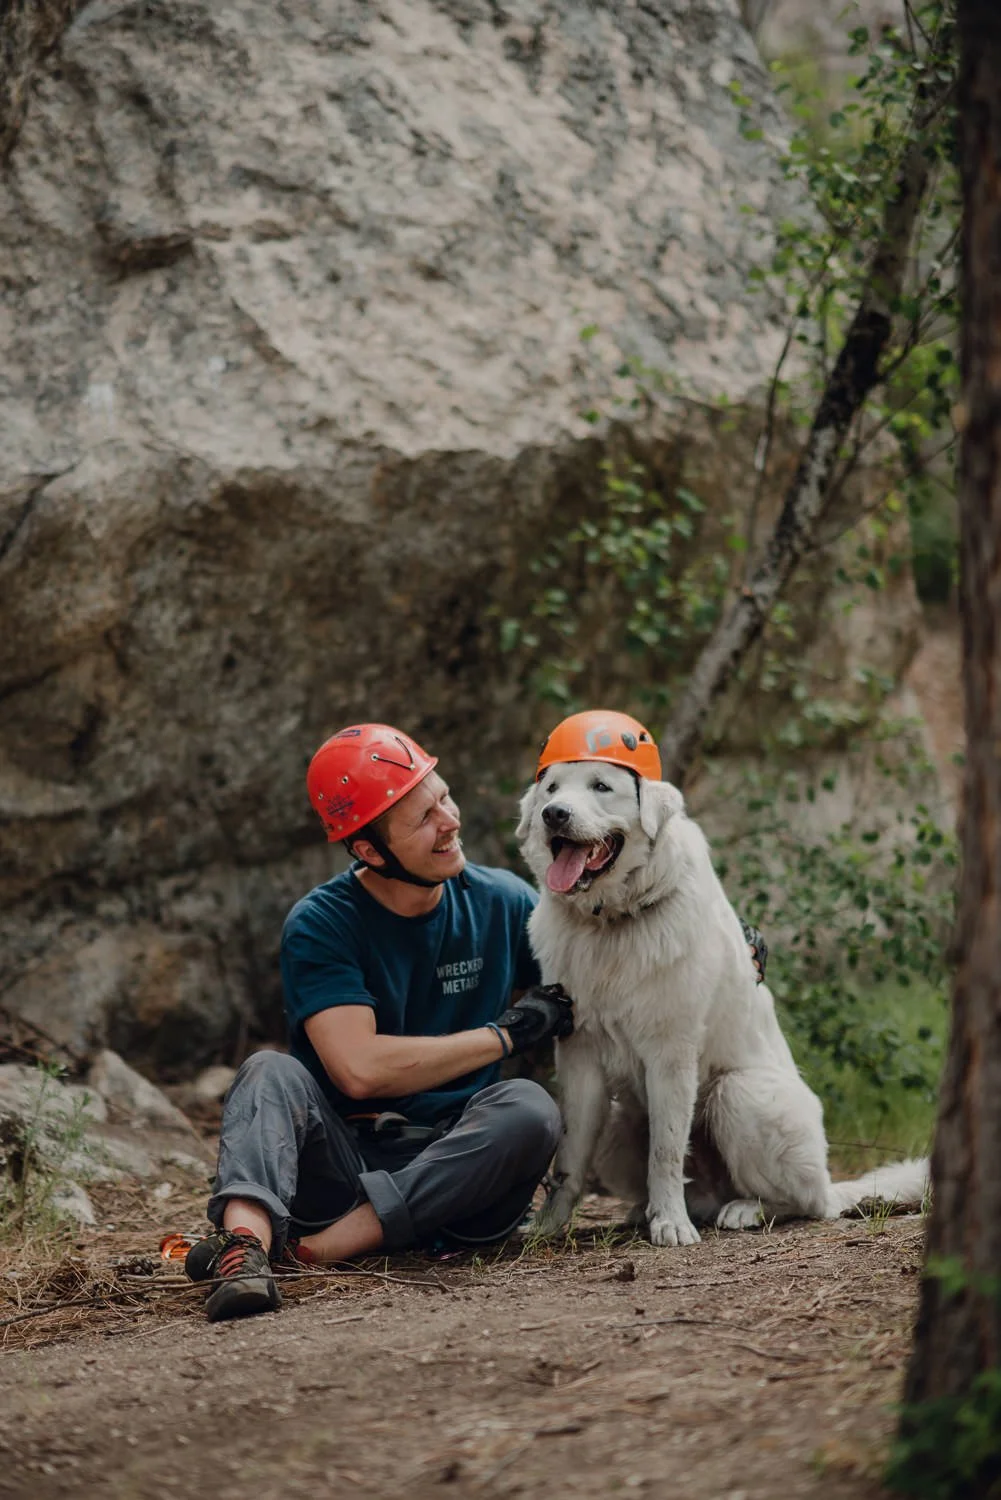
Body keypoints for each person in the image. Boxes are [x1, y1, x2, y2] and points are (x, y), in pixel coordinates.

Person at [184, 723, 573, 1322]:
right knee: (268, 1072)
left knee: (528, 1107)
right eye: (424, 817)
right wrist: (505, 1034)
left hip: (457, 1174)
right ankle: (246, 1250)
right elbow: (359, 1070)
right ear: (369, 850)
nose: (450, 820)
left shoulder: (501, 901)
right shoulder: (323, 923)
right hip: (346, 1167)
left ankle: (319, 1250)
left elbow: (603, 961)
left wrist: (726, 948)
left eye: (444, 797)